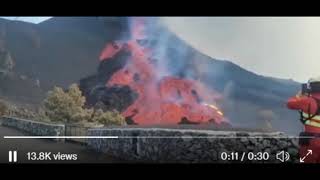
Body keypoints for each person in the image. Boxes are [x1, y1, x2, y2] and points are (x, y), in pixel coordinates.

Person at [287, 77, 320, 163]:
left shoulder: (308, 101)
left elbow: (290, 104)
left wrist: (298, 96)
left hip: (311, 141)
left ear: (311, 87)